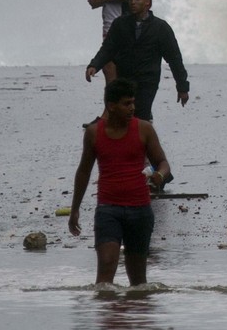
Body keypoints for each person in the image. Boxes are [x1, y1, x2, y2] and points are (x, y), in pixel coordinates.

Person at [68, 78, 171, 286]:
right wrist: (75, 209)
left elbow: (162, 162)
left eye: (133, 102)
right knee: (106, 268)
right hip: (108, 210)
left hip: (140, 210)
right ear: (111, 106)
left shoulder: (144, 129)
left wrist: (159, 175)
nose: (132, 108)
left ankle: (136, 318)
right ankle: (107, 317)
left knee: (138, 282)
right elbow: (83, 172)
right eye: (126, 104)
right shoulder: (94, 133)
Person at [86, 0, 189, 122]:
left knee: (141, 117)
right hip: (124, 78)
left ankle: (144, 138)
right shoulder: (120, 24)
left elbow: (174, 59)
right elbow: (108, 49)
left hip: (147, 81)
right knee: (123, 116)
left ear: (147, 2)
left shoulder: (160, 28)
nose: (133, 2)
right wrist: (94, 65)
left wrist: (182, 87)